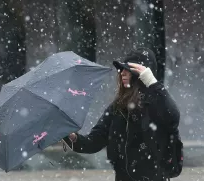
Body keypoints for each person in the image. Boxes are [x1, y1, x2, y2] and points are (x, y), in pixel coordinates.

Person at [63, 48, 181, 181]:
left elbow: (172, 116)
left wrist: (153, 84)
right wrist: (71, 137)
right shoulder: (117, 107)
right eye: (121, 69)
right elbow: (94, 141)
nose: (122, 73)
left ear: (142, 74)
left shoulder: (156, 102)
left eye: (128, 70)